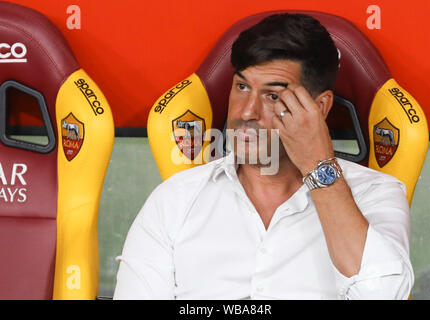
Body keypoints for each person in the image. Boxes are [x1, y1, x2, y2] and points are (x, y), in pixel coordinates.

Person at [113, 13, 413, 300]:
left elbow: (382, 294)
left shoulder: (375, 193)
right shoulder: (175, 199)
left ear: (319, 107)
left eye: (272, 95)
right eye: (242, 87)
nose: (246, 113)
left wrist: (317, 165)